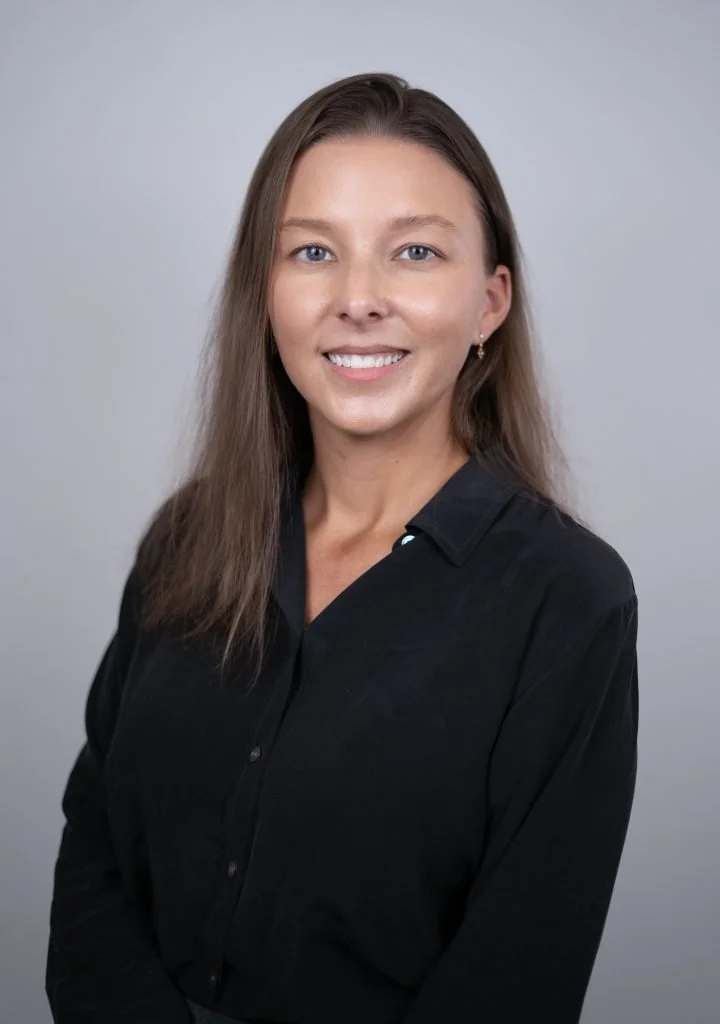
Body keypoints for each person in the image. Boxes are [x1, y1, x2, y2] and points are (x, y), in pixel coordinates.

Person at [45, 72, 639, 1024]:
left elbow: (516, 973)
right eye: (314, 250)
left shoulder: (568, 599)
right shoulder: (187, 540)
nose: (359, 299)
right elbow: (96, 852)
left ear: (490, 305)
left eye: (414, 251)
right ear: (266, 293)